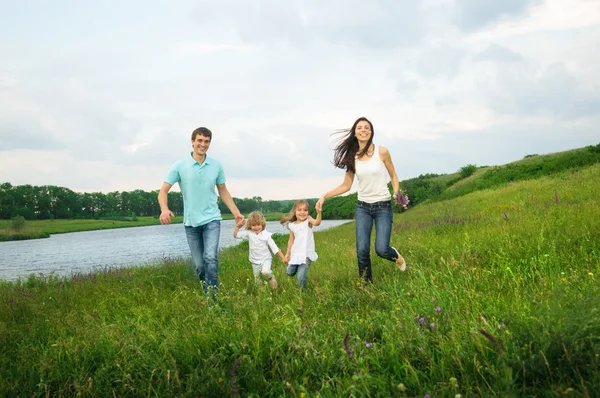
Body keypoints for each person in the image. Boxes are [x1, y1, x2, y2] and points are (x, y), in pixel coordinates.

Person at [315, 116, 407, 283]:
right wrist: (324, 196)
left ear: (371, 132)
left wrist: (396, 192)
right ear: (355, 133)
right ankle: (367, 285)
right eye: (360, 128)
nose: (363, 130)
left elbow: (393, 176)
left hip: (383, 206)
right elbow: (346, 185)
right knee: (362, 250)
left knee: (381, 249)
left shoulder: (382, 151)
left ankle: (395, 255)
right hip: (363, 207)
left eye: (367, 128)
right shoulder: (353, 157)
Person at [158, 127, 244, 298]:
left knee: (211, 258)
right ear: (193, 142)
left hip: (212, 219)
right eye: (199, 140)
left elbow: (223, 191)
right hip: (191, 223)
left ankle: (213, 300)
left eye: (206, 141)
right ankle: (208, 292)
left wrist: (236, 213)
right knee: (200, 266)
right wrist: (164, 209)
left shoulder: (216, 166)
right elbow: (163, 191)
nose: (203, 144)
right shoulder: (179, 166)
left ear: (209, 143)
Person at [233, 211, 286, 289]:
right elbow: (236, 235)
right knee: (258, 282)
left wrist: (283, 258)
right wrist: (237, 227)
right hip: (254, 261)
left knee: (265, 271)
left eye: (258, 225)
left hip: (266, 259)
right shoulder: (249, 233)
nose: (256, 227)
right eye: (253, 225)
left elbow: (274, 248)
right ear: (250, 226)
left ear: (262, 224)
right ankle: (262, 294)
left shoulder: (266, 235)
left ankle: (271, 276)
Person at [280, 200, 322, 289]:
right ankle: (290, 266)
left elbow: (317, 223)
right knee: (289, 272)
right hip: (296, 254)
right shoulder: (292, 225)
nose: (302, 212)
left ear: (308, 212)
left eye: (305, 210)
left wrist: (319, 213)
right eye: (299, 210)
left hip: (307, 254)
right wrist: (288, 254)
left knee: (301, 277)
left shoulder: (308, 220)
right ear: (295, 212)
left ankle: (303, 295)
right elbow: (291, 240)